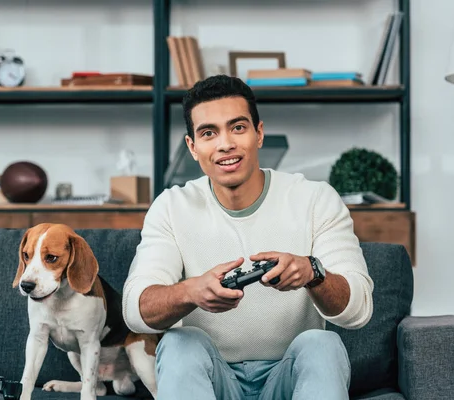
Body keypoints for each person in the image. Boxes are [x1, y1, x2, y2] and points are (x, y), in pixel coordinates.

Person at [122, 74, 374, 400]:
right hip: (213, 378)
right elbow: (135, 309)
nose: (225, 143)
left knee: (322, 343)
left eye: (238, 128)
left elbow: (359, 310)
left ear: (259, 134)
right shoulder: (171, 206)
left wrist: (313, 272)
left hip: (288, 376)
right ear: (193, 147)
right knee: (179, 343)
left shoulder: (315, 199)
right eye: (209, 133)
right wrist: (190, 291)